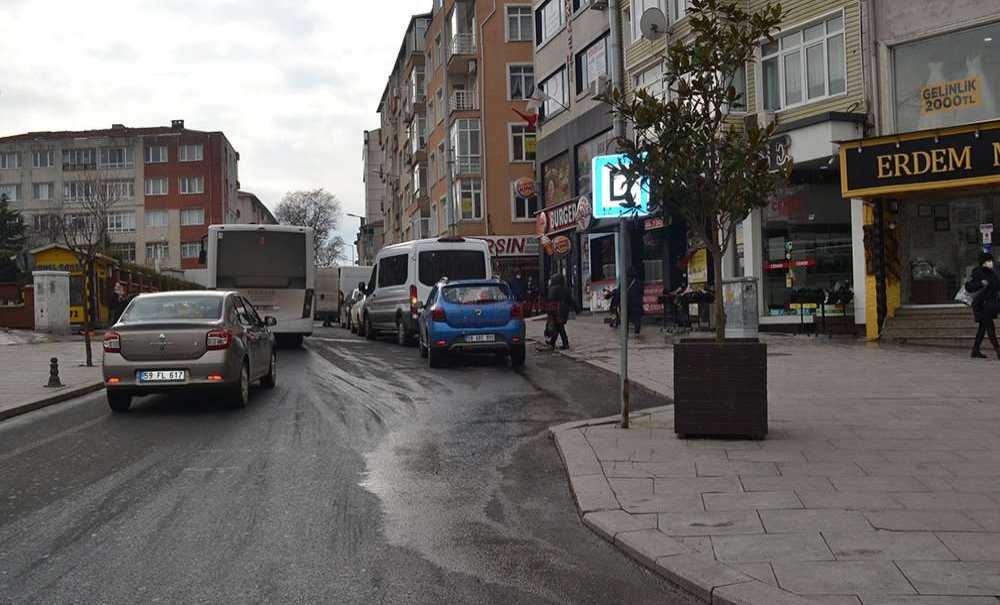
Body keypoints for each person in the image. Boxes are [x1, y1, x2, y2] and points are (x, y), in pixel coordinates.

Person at [967, 252, 1000, 359]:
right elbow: (969, 287)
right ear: (983, 262)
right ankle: (998, 350)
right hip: (982, 305)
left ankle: (975, 350)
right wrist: (981, 283)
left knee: (983, 328)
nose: (991, 263)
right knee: (990, 327)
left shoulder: (993, 273)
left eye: (991, 261)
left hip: (992, 304)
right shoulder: (977, 273)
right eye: (988, 261)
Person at [544, 274, 576, 350]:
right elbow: (570, 300)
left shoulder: (553, 289)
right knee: (559, 327)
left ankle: (563, 344)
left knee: (559, 327)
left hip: (556, 311)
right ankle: (553, 343)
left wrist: (549, 312)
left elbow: (551, 301)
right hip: (564, 311)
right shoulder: (566, 289)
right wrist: (576, 308)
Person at [626, 270, 644, 336]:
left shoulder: (638, 283)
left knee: (635, 319)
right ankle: (631, 333)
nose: (628, 278)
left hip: (632, 304)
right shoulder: (625, 283)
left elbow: (642, 292)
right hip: (632, 304)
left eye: (628, 276)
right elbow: (642, 292)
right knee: (632, 319)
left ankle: (634, 333)